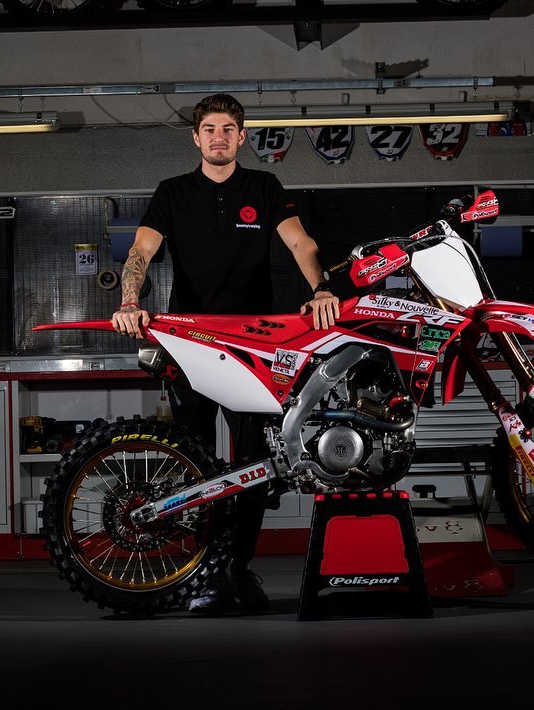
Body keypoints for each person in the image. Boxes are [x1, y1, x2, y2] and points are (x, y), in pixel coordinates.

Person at [112, 93, 339, 615]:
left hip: (252, 345)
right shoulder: (173, 192)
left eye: (228, 129)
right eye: (210, 129)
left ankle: (237, 568)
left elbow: (301, 244)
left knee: (255, 464)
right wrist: (129, 301)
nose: (219, 138)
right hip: (190, 343)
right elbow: (141, 250)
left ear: (242, 137)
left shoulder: (264, 187)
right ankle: (201, 572)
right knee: (192, 462)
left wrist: (322, 289)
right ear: (196, 138)